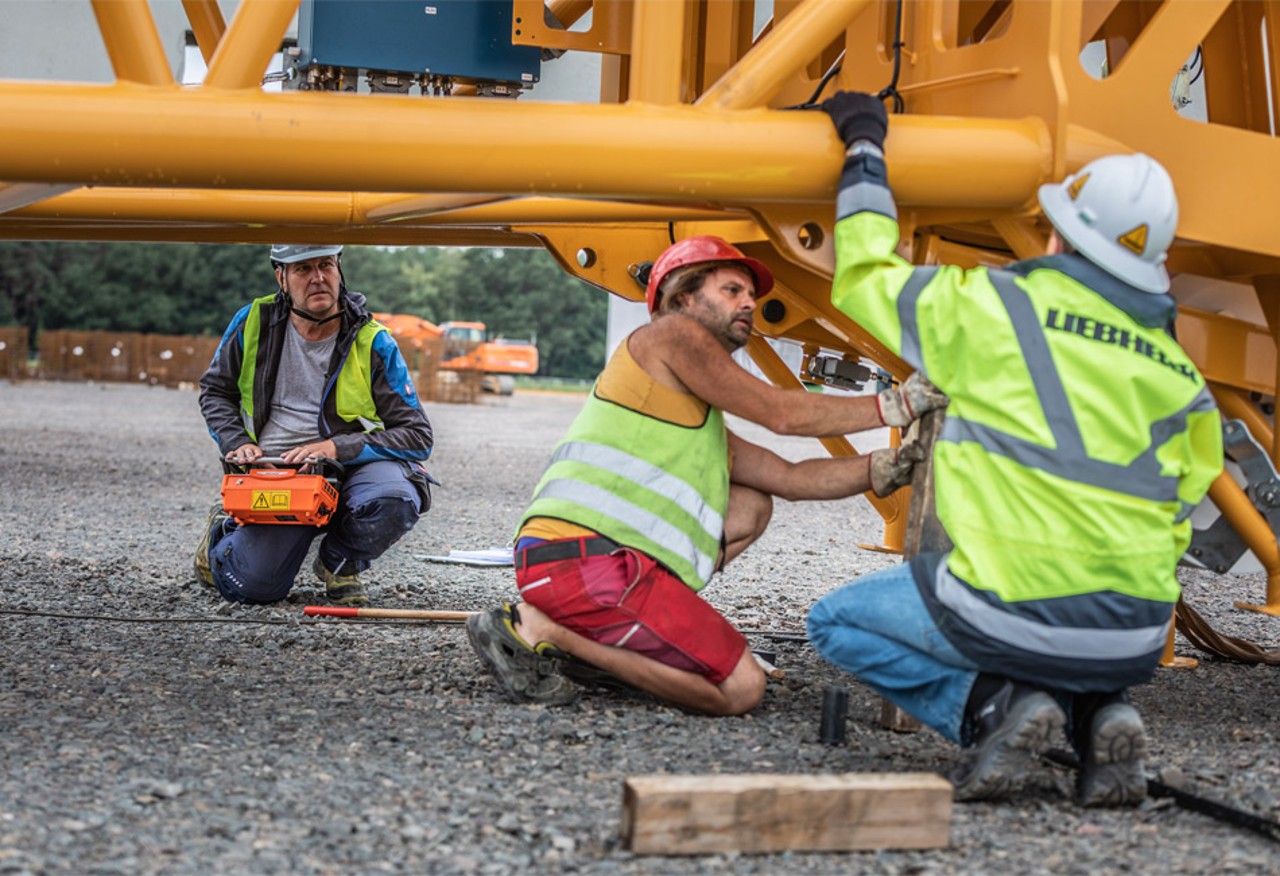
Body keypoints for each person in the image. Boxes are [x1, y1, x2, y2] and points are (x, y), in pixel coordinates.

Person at [806, 92, 1223, 806]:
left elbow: (865, 276)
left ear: (1057, 239)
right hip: (1134, 636)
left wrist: (864, 146)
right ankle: (1099, 716)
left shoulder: (993, 309)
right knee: (1076, 618)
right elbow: (1181, 509)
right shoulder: (1182, 380)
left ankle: (997, 709)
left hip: (1008, 611)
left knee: (834, 622)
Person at [466, 234, 947, 715]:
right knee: (740, 690)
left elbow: (791, 476)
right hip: (582, 564)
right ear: (682, 298)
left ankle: (605, 641)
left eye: (750, 295)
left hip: (574, 561)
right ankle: (545, 631)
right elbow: (780, 412)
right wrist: (896, 405)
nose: (749, 303)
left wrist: (883, 469)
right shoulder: (670, 334)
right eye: (732, 290)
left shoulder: (689, 416)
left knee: (753, 505)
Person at [194, 243, 434, 606]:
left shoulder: (371, 339)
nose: (318, 277)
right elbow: (215, 391)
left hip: (345, 467)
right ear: (282, 278)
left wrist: (336, 447)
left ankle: (339, 562)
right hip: (278, 471)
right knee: (255, 588)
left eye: (325, 265)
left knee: (396, 497)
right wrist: (235, 439)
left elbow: (417, 435)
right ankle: (222, 534)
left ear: (339, 269)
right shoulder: (252, 322)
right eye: (303, 269)